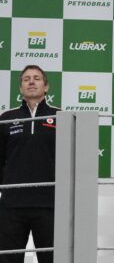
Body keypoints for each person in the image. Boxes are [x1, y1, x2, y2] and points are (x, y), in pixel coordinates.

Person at [0, 65, 59, 263]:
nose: (31, 82)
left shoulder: (63, 117)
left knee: (52, 259)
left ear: (46, 86)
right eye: (26, 79)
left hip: (50, 204)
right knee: (8, 259)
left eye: (36, 78)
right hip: (12, 205)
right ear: (20, 88)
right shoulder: (6, 118)